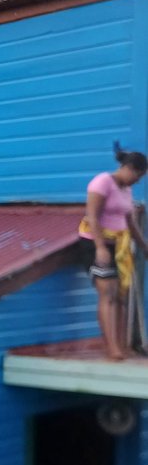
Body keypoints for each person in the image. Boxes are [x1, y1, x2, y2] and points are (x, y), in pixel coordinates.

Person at [79, 148, 148, 360]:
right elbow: (92, 216)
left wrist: (144, 246)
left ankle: (121, 345)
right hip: (96, 244)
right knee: (107, 293)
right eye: (138, 176)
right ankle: (111, 348)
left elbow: (130, 222)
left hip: (119, 247)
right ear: (128, 168)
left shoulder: (126, 190)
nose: (137, 181)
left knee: (120, 296)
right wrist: (100, 247)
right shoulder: (102, 182)